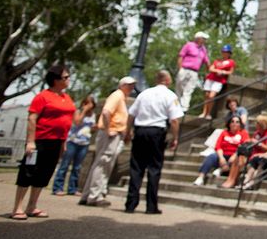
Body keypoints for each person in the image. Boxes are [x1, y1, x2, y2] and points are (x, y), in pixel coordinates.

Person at [11, 65, 76, 220]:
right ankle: (17, 208)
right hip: (40, 141)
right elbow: (32, 118)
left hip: (57, 141)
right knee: (28, 172)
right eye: (65, 77)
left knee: (44, 173)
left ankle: (32, 206)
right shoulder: (43, 96)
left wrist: (64, 141)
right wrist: (30, 141)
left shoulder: (66, 98)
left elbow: (67, 121)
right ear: (56, 80)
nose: (68, 80)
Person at [124, 70, 183, 214]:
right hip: (156, 132)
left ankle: (131, 204)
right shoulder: (170, 95)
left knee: (136, 167)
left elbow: (131, 114)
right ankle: (151, 205)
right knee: (154, 169)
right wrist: (175, 137)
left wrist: (128, 131)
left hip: (140, 130)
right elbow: (174, 120)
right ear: (167, 80)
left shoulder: (144, 94)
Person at [80, 76, 136, 207]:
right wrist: (108, 129)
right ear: (122, 85)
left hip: (114, 133)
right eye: (129, 85)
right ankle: (95, 196)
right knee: (104, 164)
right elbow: (106, 112)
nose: (131, 88)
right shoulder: (117, 96)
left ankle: (88, 194)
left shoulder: (121, 98)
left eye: (133, 85)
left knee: (100, 164)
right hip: (111, 135)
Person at [52, 95, 96, 196]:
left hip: (84, 142)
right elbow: (77, 122)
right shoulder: (78, 112)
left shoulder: (93, 115)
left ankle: (72, 188)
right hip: (73, 141)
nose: (89, 105)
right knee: (65, 165)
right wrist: (84, 111)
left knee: (77, 167)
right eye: (87, 103)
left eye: (91, 103)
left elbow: (90, 129)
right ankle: (57, 187)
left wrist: (94, 128)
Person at [193, 115, 250, 187]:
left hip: (235, 155)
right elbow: (218, 146)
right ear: (229, 124)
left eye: (237, 122)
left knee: (235, 159)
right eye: (232, 122)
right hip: (223, 154)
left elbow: (244, 145)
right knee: (211, 157)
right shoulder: (224, 133)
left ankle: (221, 169)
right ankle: (200, 177)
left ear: (240, 124)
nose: (234, 123)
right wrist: (221, 158)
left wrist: (235, 154)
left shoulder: (243, 133)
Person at [222, 113, 267, 188]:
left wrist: (258, 143)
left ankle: (233, 181)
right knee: (238, 157)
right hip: (252, 154)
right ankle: (230, 179)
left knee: (240, 159)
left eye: (257, 123)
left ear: (262, 124)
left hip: (260, 156)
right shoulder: (257, 133)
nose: (256, 124)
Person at [199, 44, 236, 119]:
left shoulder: (231, 62)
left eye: (226, 52)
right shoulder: (217, 61)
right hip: (211, 78)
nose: (224, 53)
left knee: (211, 96)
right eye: (223, 52)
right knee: (207, 95)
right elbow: (211, 69)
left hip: (219, 80)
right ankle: (204, 112)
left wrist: (223, 72)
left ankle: (208, 113)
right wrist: (218, 70)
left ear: (229, 53)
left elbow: (231, 72)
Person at [176, 31, 210, 112]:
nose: (204, 41)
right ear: (198, 38)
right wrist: (180, 68)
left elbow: (207, 62)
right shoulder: (189, 45)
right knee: (179, 88)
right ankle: (176, 107)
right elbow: (181, 57)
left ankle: (184, 108)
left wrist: (208, 72)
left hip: (194, 72)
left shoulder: (203, 49)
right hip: (184, 69)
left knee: (188, 90)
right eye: (203, 39)